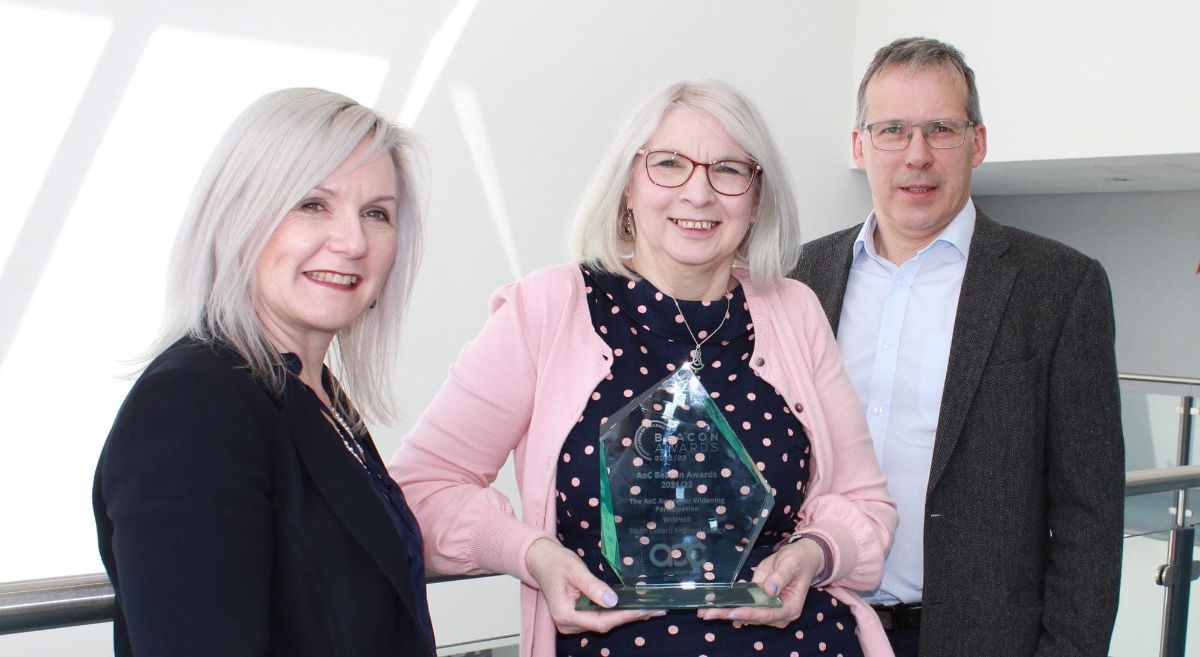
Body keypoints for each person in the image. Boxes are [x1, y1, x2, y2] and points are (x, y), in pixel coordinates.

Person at [390, 79, 897, 657]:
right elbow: (419, 491)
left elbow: (866, 505)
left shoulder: (794, 310)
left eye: (728, 170)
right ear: (628, 184)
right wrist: (531, 554)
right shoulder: (546, 309)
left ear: (756, 198)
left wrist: (816, 554)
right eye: (669, 164)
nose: (699, 193)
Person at [791, 37, 1124, 657]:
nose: (917, 156)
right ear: (860, 145)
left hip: (983, 640)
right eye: (893, 129)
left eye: (940, 129)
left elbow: (1090, 513)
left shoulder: (1058, 286)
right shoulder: (798, 279)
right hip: (817, 629)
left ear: (978, 142)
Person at [93, 88, 435, 657]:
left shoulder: (314, 395)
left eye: (376, 213)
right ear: (237, 218)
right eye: (311, 204)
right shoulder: (194, 406)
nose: (352, 241)